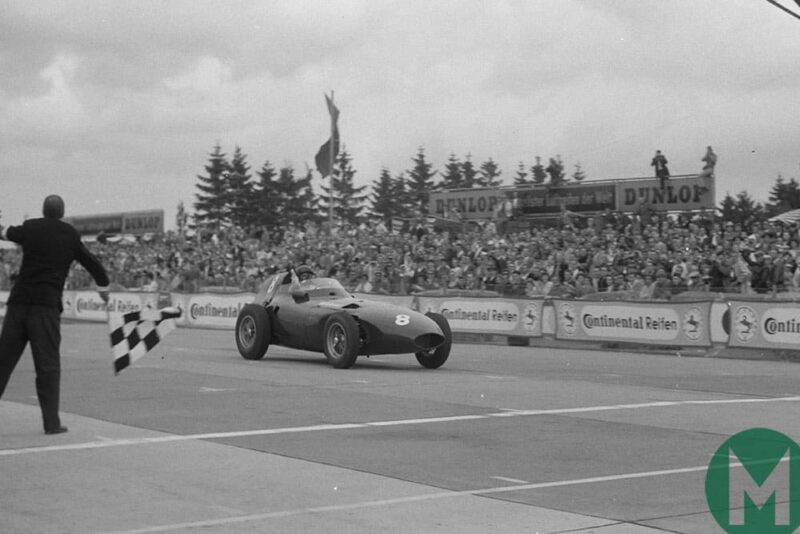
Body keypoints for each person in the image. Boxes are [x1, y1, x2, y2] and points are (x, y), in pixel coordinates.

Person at [0, 195, 110, 435]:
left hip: (19, 303)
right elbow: (92, 263)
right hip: (45, 308)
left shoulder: (30, 228)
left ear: (43, 210)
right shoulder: (69, 234)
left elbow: (5, 232)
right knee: (47, 366)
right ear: (62, 213)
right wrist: (103, 288)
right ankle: (51, 423)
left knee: (3, 362)